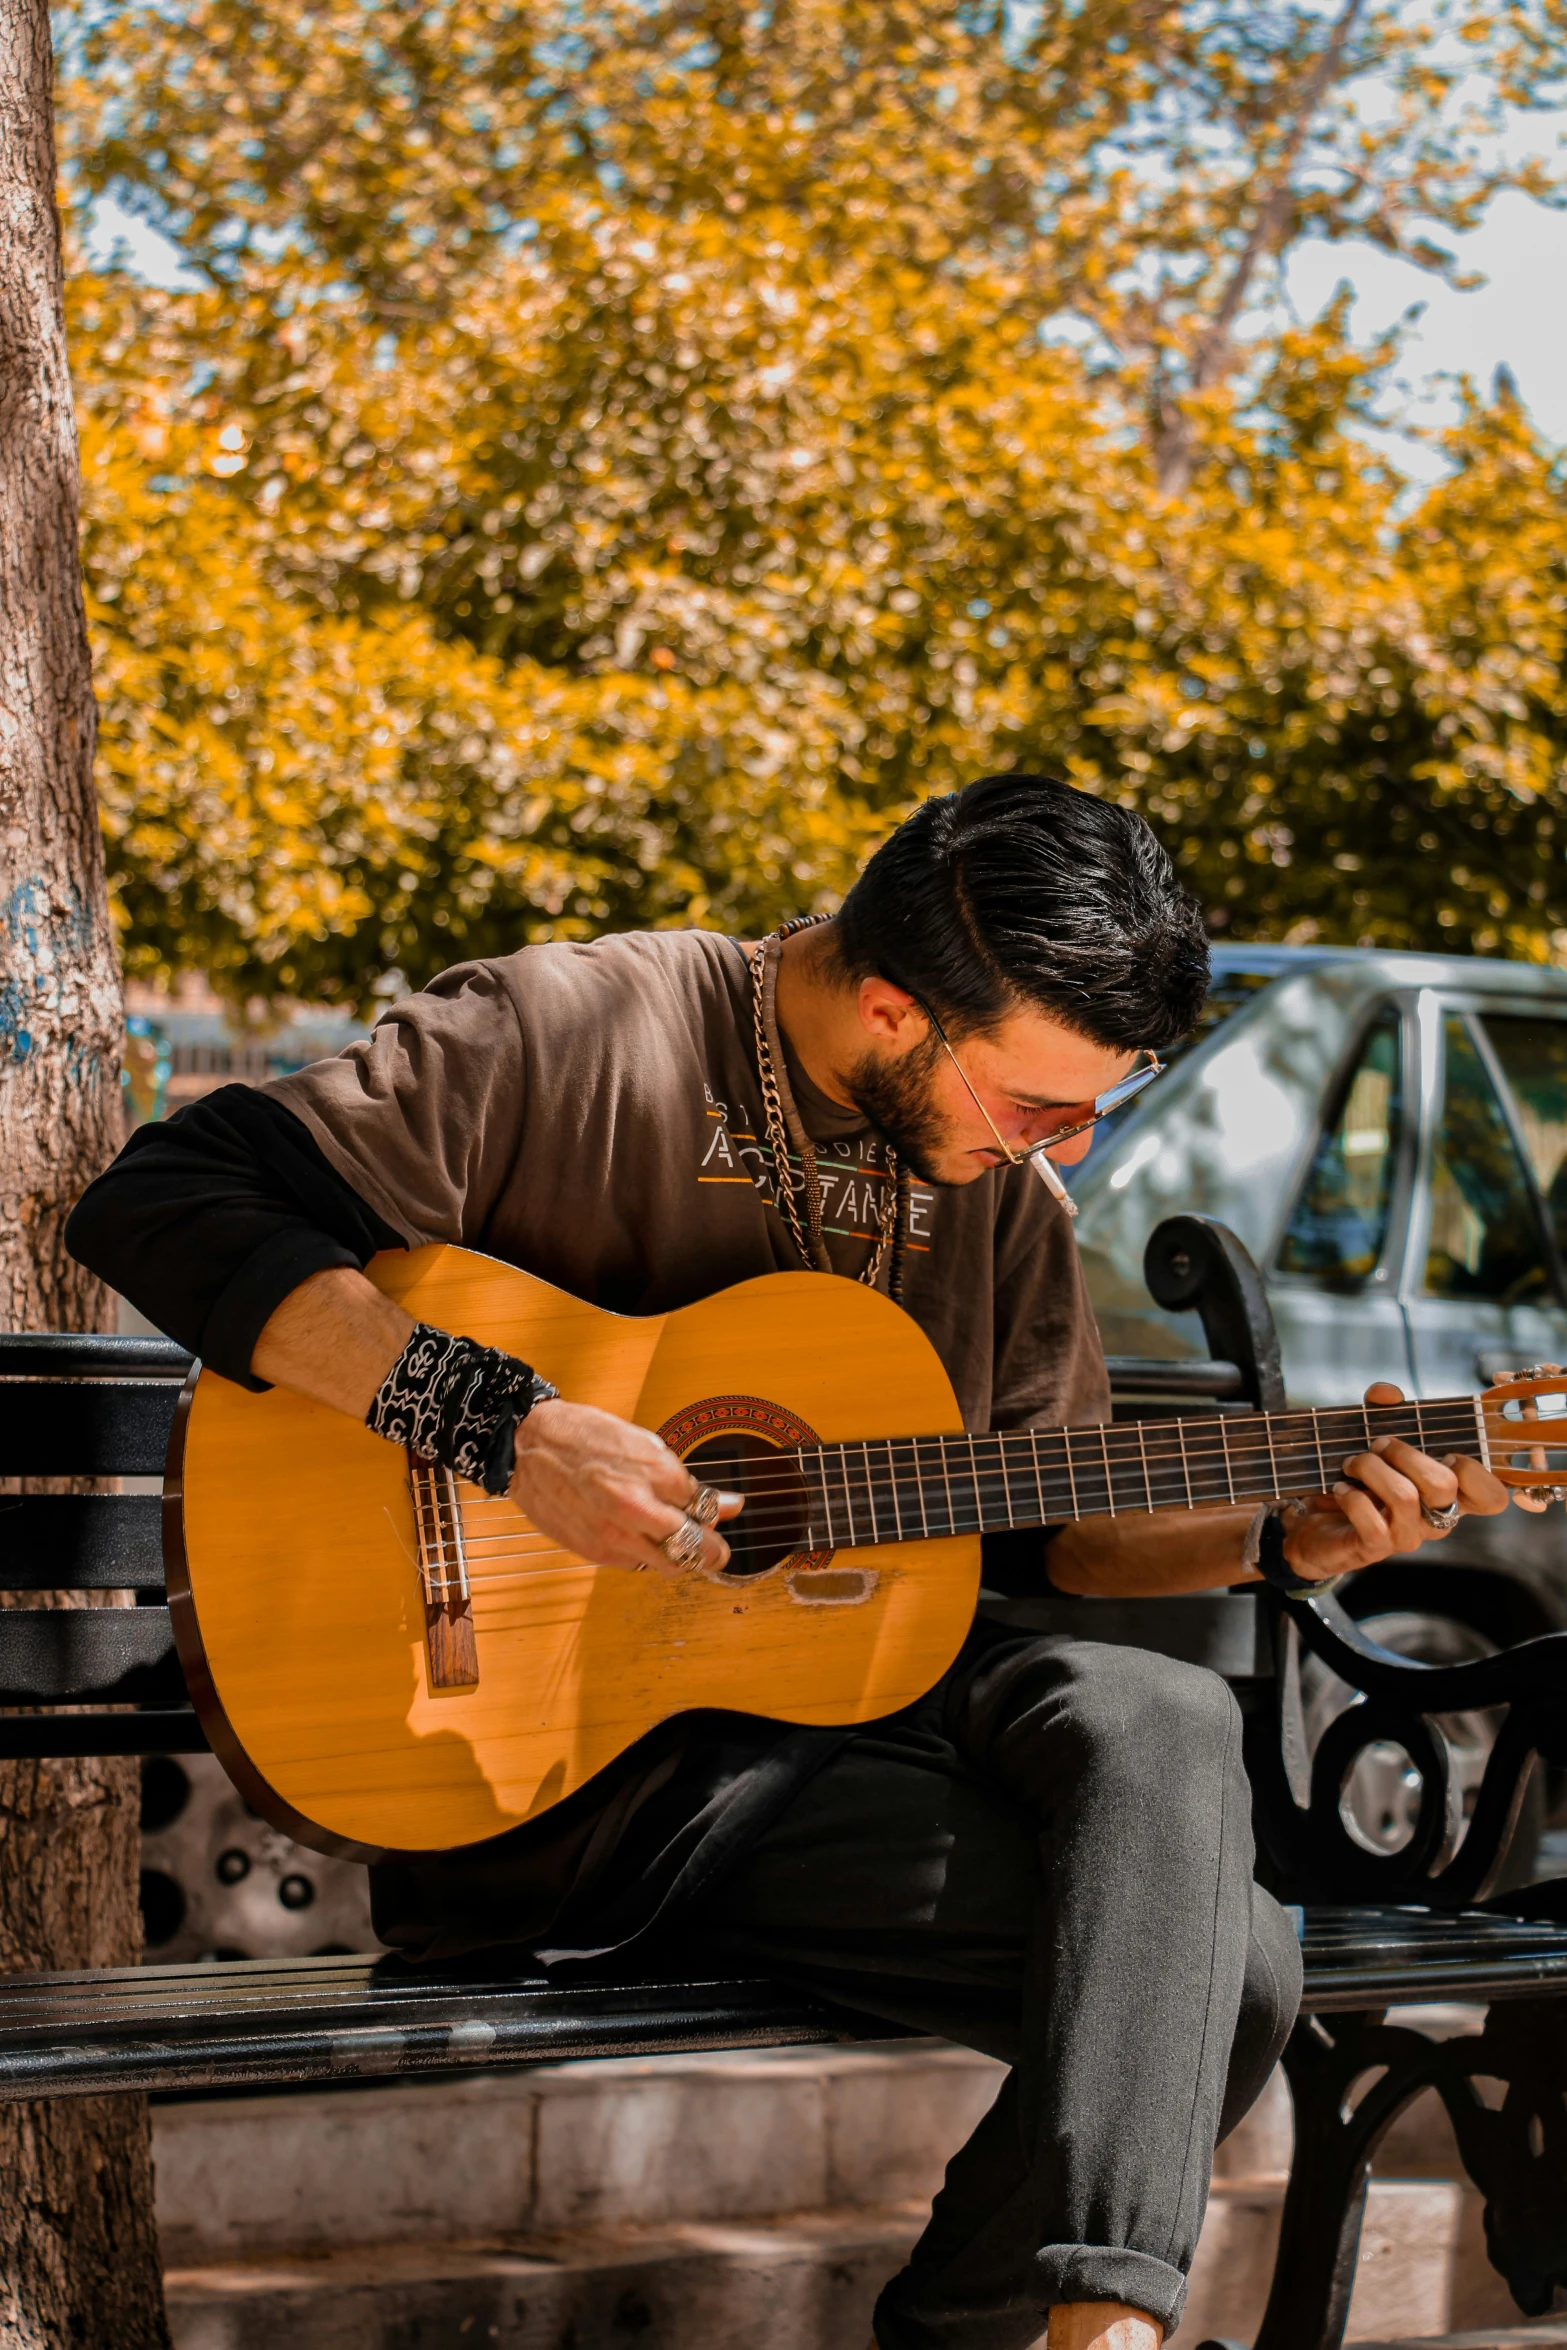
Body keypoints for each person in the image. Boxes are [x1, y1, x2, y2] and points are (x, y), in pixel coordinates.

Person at [68, 774, 1509, 2350]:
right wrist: (506, 1424)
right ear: (894, 1009)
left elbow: (1056, 1518)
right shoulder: (578, 1030)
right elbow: (166, 1199)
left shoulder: (997, 1201)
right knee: (1221, 1980)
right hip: (561, 1773)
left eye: (1098, 1108)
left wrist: (1270, 1530)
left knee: (1160, 1730)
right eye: (1040, 1108)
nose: (1069, 1153)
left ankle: (1101, 2333)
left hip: (858, 1720)